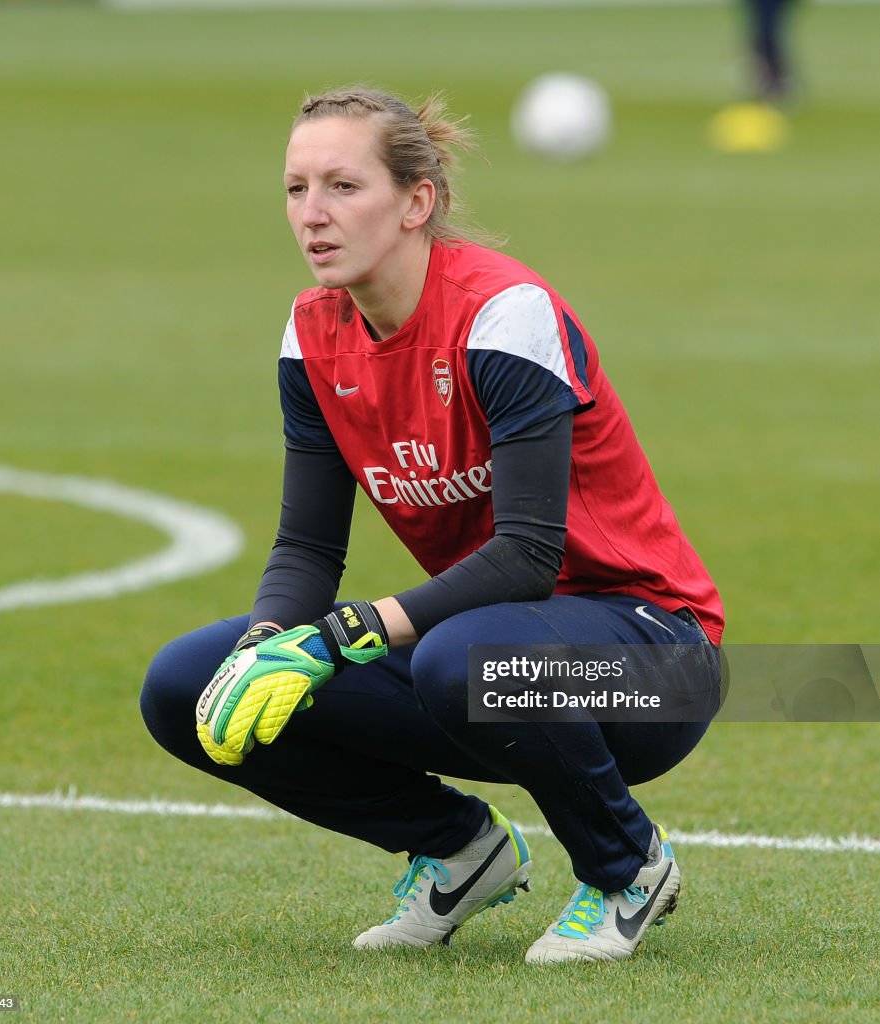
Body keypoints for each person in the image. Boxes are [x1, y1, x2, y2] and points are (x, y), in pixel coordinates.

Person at [140, 86, 725, 964]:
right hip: (487, 649)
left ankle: (625, 869)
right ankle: (458, 847)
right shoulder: (312, 335)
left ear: (417, 203)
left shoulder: (503, 313)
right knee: (192, 682)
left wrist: (348, 631)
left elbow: (528, 557)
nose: (313, 215)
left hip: (656, 663)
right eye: (296, 189)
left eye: (342, 186)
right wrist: (269, 638)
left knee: (463, 655)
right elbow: (306, 546)